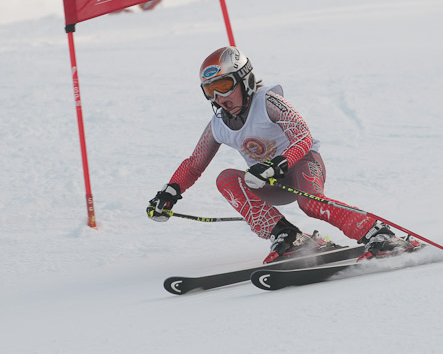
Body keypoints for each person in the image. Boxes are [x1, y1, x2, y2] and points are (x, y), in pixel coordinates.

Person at [147, 46, 416, 263]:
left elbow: (303, 136)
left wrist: (277, 164)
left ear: (245, 78)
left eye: (225, 85)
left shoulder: (269, 102)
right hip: (270, 182)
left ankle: (378, 233)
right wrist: (169, 192)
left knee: (310, 203)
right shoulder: (218, 125)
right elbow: (194, 164)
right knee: (225, 178)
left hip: (303, 164)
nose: (218, 97)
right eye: (210, 90)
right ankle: (289, 237)